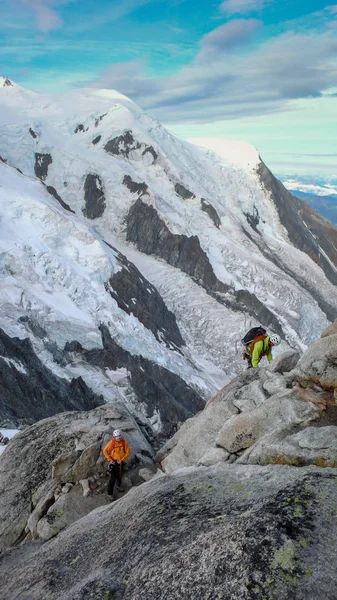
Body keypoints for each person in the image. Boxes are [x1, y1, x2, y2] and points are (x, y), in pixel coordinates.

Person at [103, 429, 131, 499]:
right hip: (113, 461)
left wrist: (122, 460)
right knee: (113, 477)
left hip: (120, 462)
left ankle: (118, 486)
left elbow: (128, 452)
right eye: (116, 436)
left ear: (121, 436)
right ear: (114, 437)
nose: (118, 438)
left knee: (119, 475)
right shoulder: (112, 443)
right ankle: (109, 494)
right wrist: (109, 459)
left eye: (119, 436)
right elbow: (105, 451)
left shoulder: (124, 443)